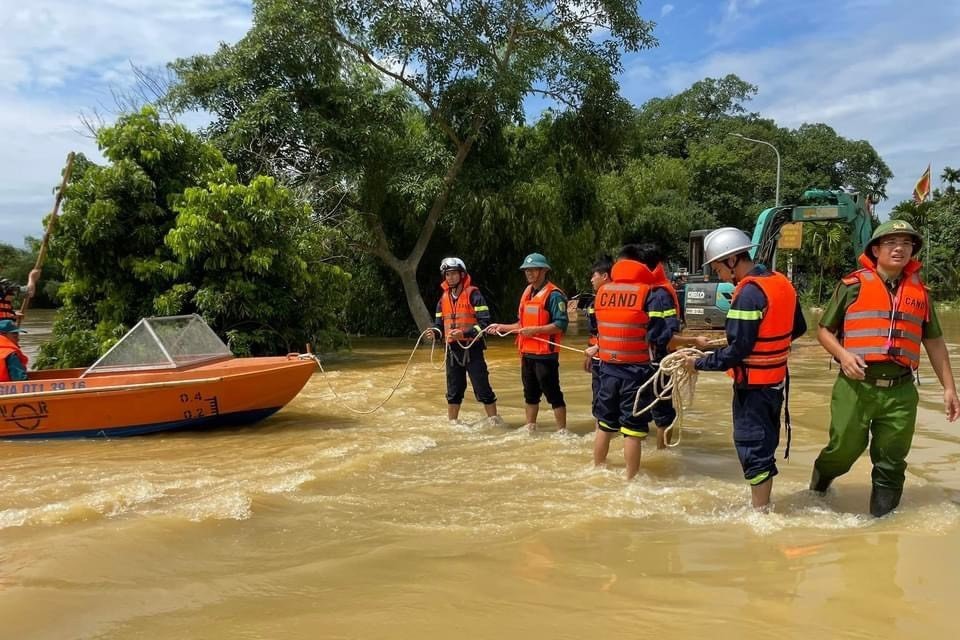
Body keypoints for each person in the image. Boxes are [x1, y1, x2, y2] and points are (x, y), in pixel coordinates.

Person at [809, 220, 959, 517]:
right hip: (856, 386)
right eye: (891, 243)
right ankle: (818, 488)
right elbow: (824, 331)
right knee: (843, 451)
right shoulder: (851, 286)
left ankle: (881, 532)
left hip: (901, 392)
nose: (899, 248)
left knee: (891, 462)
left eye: (906, 243)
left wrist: (950, 388)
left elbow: (936, 342)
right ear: (875, 249)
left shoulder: (921, 294)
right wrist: (843, 355)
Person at [684, 228, 806, 510]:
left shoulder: (748, 293)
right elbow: (797, 328)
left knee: (752, 448)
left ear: (731, 261)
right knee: (764, 446)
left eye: (717, 268)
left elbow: (737, 351)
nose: (719, 275)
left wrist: (697, 363)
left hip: (752, 388)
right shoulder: (781, 282)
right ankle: (762, 504)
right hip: (774, 383)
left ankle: (760, 513)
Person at [487, 253, 568, 433]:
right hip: (527, 354)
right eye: (526, 270)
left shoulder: (554, 295)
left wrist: (535, 330)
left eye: (532, 269)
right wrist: (501, 327)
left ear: (544, 271)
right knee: (530, 395)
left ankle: (562, 431)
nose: (529, 273)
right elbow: (520, 325)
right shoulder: (527, 293)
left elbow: (561, 325)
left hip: (546, 356)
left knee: (553, 394)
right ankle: (530, 427)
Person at [433, 257, 502, 425]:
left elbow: (484, 324)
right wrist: (434, 333)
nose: (450, 277)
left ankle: (494, 421)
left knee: (482, 387)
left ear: (462, 275)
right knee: (453, 390)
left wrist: (464, 333)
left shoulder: (474, 294)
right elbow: (439, 325)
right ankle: (453, 424)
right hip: (452, 351)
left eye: (454, 274)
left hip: (473, 348)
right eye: (447, 274)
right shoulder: (443, 299)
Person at [583, 256, 613, 430]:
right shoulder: (596, 299)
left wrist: (597, 347)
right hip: (596, 357)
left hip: (611, 359)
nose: (591, 279)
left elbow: (618, 331)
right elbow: (595, 331)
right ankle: (599, 433)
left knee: (609, 400)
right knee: (598, 397)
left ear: (605, 276)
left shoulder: (613, 299)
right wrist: (591, 351)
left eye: (594, 275)